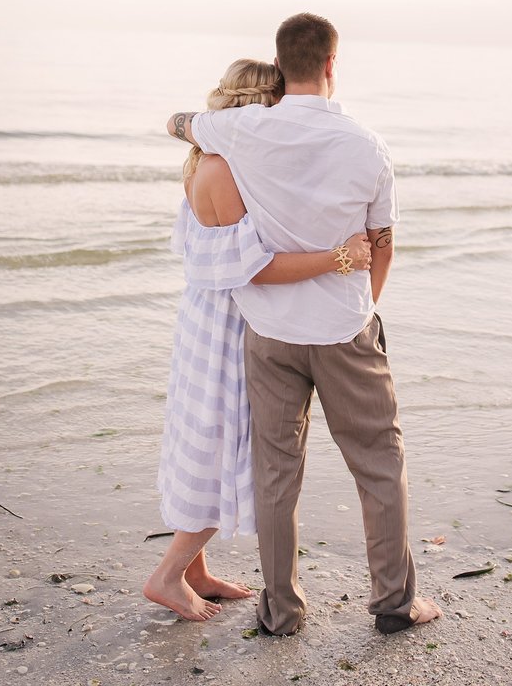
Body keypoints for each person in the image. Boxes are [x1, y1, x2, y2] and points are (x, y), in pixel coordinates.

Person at [167, 14, 441, 636]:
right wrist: (359, 308)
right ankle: (395, 604)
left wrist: (188, 123)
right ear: (332, 65)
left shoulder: (240, 130)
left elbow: (177, 123)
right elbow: (383, 244)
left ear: (280, 63)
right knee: (378, 462)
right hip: (344, 330)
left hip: (269, 334)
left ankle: (281, 609)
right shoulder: (367, 145)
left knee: (276, 471)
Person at [144, 58, 372, 623]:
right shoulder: (224, 168)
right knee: (224, 446)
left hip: (204, 314)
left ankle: (196, 571)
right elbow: (256, 267)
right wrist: (341, 257)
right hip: (227, 322)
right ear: (261, 107)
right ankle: (168, 576)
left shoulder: (204, 160)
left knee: (200, 436)